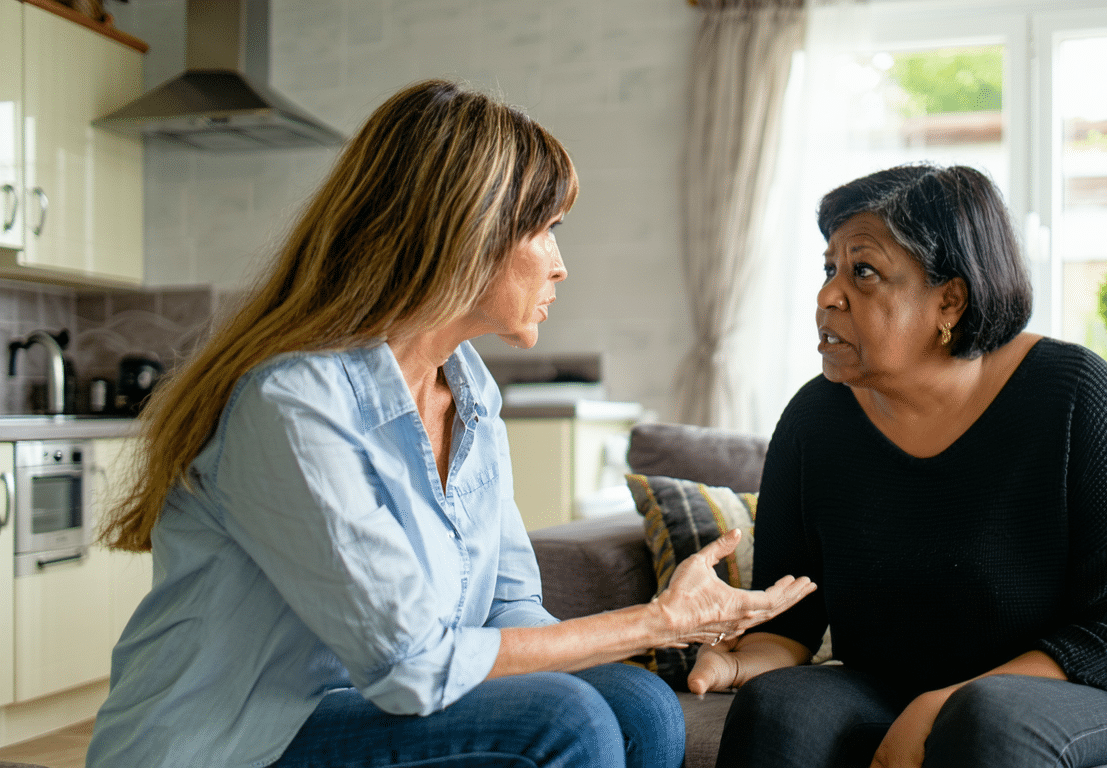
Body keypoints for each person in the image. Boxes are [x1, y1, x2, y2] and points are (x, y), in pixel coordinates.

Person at [85, 79, 815, 768]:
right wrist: (658, 621)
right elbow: (410, 666)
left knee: (638, 706)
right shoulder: (294, 404)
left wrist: (670, 625)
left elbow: (507, 607)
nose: (561, 266)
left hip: (360, 710)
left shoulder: (468, 392)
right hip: (227, 742)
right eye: (549, 230)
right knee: (565, 721)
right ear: (467, 233)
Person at [687, 163, 1107, 768]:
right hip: (896, 687)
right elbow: (794, 619)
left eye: (864, 272)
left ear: (950, 300)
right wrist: (736, 660)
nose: (828, 295)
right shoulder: (815, 419)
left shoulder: (1076, 395)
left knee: (987, 719)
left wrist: (943, 704)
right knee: (780, 708)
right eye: (830, 269)